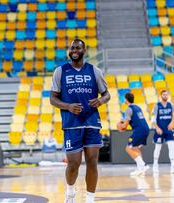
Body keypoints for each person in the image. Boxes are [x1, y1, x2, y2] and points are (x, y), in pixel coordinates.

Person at [50, 39, 110, 203]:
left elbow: (107, 94)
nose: (74, 50)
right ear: (69, 51)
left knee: (92, 161)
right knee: (74, 164)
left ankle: (90, 199)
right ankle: (70, 191)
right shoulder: (60, 71)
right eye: (72, 48)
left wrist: (101, 101)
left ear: (84, 50)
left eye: (78, 47)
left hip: (91, 122)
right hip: (71, 124)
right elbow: (52, 99)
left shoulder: (94, 71)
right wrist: (68, 106)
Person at [117, 93, 150, 176]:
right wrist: (123, 122)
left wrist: (119, 126)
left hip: (139, 130)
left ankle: (143, 165)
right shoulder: (138, 107)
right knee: (135, 148)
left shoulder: (128, 109)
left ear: (126, 100)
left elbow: (125, 126)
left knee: (128, 148)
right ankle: (140, 169)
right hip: (146, 129)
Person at [152, 90, 174, 174]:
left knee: (171, 147)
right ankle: (155, 165)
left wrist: (172, 123)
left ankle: (173, 166)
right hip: (160, 130)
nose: (165, 96)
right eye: (164, 94)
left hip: (168, 130)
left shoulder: (171, 105)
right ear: (160, 96)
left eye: (166, 94)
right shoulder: (157, 105)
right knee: (158, 148)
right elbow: (153, 119)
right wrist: (157, 128)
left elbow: (173, 116)